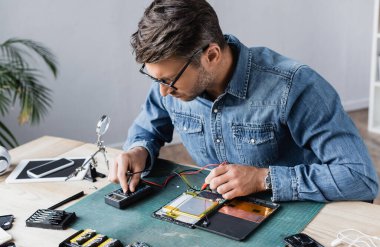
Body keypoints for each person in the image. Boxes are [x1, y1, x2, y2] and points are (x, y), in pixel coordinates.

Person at [108, 0, 379, 202]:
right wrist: (138, 150)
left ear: (211, 55)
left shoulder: (296, 86)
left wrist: (263, 178)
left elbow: (360, 179)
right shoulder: (172, 82)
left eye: (167, 80)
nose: (163, 91)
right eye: (156, 79)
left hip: (295, 212)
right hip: (222, 210)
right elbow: (147, 130)